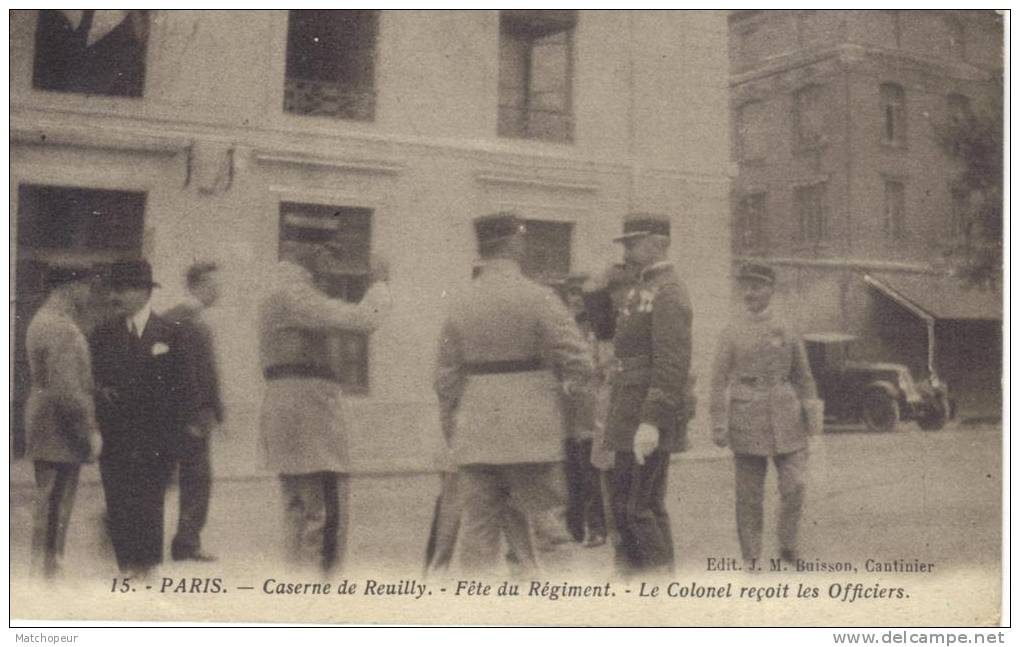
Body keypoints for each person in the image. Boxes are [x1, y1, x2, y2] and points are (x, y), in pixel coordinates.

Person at [434, 213, 593, 576]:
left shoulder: (459, 301)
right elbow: (579, 360)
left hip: (476, 433)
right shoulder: (540, 298)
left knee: (478, 537)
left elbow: (445, 379)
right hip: (531, 432)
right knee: (548, 531)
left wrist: (453, 430)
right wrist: (562, 393)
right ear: (514, 244)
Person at [258, 240, 391, 575]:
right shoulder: (297, 294)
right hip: (310, 410)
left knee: (296, 509)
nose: (332, 267)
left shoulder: (275, 291)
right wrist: (379, 284)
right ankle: (322, 594)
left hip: (283, 405)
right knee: (325, 511)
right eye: (329, 256)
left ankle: (295, 592)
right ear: (314, 253)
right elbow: (363, 319)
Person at [709, 263, 819, 568]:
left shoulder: (787, 327)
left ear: (771, 289)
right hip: (746, 417)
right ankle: (751, 556)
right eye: (745, 287)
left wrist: (812, 416)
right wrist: (719, 423)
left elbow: (804, 376)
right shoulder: (731, 332)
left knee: (795, 486)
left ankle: (788, 545)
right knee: (748, 496)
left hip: (788, 418)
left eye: (756, 287)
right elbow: (718, 382)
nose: (750, 293)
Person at [604, 213, 693, 578]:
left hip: (645, 413)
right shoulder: (643, 287)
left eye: (633, 242)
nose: (626, 250)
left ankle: (658, 595)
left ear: (659, 243)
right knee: (630, 507)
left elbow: (672, 363)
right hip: (627, 408)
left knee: (639, 509)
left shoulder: (668, 291)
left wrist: (651, 421)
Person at [90, 260, 187, 576]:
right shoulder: (102, 333)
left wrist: (176, 441)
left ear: (145, 292)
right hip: (115, 435)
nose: (117, 296)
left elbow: (182, 388)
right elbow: (91, 377)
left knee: (150, 501)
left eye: (125, 289)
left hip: (155, 437)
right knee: (118, 499)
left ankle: (149, 566)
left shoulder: (170, 334)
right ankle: (127, 569)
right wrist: (101, 391)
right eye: (114, 289)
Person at [24, 265, 104, 579]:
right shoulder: (61, 328)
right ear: (68, 288)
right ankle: (46, 577)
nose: (88, 293)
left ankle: (42, 573)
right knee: (57, 504)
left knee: (49, 502)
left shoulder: (41, 321)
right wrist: (90, 430)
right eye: (85, 286)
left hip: (45, 422)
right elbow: (69, 389)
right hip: (59, 427)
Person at [162, 261, 224, 562]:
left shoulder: (177, 318)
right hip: (190, 417)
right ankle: (186, 545)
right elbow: (189, 375)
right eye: (214, 285)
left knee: (164, 478)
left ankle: (123, 528)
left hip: (178, 416)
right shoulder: (187, 322)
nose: (219, 291)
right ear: (198, 285)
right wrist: (197, 417)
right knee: (196, 481)